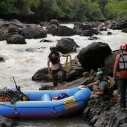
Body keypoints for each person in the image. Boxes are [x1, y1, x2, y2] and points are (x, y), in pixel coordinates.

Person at [113, 43, 127, 109]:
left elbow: (115, 67)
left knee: (122, 92)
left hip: (122, 75)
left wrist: (114, 76)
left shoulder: (119, 56)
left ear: (121, 49)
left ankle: (122, 106)